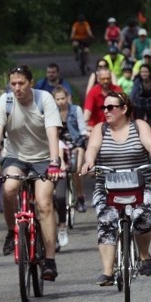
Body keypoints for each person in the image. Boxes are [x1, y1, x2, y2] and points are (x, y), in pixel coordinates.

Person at [80, 91, 151, 286]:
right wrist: (89, 163)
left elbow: (150, 143)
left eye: (110, 107)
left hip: (139, 185)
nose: (106, 111)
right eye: (104, 107)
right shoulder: (100, 129)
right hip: (107, 187)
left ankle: (145, 256)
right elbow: (92, 148)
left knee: (142, 215)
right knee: (106, 220)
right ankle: (107, 272)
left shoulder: (139, 126)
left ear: (124, 109)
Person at [0, 65, 63, 280]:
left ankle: (50, 260)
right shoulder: (6, 101)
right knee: (9, 189)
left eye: (21, 83)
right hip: (16, 156)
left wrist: (55, 163)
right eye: (13, 84)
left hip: (45, 158)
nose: (17, 88)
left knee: (44, 203)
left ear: (31, 82)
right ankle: (11, 231)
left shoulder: (44, 99)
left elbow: (53, 133)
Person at [52, 87, 88, 248]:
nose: (60, 102)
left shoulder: (76, 110)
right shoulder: (51, 112)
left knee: (76, 167)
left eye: (62, 98)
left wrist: (79, 143)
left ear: (67, 98)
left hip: (75, 143)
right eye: (57, 99)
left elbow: (81, 130)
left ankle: (80, 196)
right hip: (57, 145)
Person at [83, 67, 123, 133]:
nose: (106, 81)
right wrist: (84, 126)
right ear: (98, 79)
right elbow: (87, 111)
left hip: (114, 127)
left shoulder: (117, 90)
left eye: (108, 78)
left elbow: (125, 108)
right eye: (103, 79)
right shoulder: (93, 92)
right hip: (95, 128)